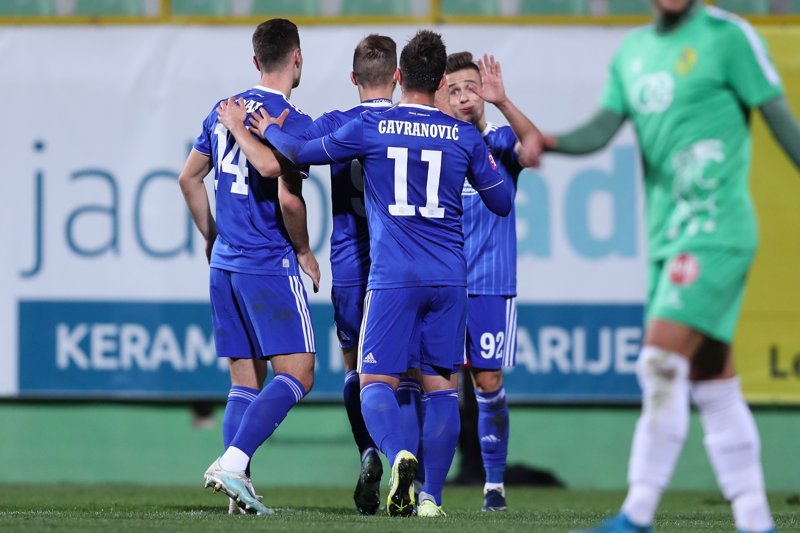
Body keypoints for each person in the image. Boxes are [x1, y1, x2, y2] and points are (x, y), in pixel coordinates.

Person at [541, 1, 800, 532]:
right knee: (714, 384)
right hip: (666, 239)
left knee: (660, 362)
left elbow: (782, 125)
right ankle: (756, 521)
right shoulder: (633, 52)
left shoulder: (728, 37)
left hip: (716, 231)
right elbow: (603, 128)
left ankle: (637, 515)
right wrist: (552, 142)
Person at [254, 30, 515, 518]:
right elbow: (501, 200)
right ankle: (432, 499)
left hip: (393, 275)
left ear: (400, 76)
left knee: (373, 380)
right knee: (442, 389)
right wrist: (480, 157)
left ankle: (397, 455)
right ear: (440, 82)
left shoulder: (374, 125)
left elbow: (300, 151)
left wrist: (269, 128)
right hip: (449, 277)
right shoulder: (462, 135)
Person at [217, 33, 400, 516]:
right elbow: (285, 183)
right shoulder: (415, 125)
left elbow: (291, 153)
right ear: (398, 77)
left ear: (353, 77)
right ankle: (415, 473)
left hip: (345, 263)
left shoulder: (334, 122)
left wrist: (255, 128)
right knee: (410, 376)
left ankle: (364, 450)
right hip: (402, 265)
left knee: (348, 369)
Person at [177, 18, 320, 516]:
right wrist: (304, 250)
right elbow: (284, 190)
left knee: (244, 382)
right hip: (266, 262)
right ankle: (233, 464)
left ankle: (238, 489)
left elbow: (189, 179)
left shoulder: (222, 109)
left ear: (256, 60)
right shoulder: (289, 119)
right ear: (297, 58)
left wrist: (211, 236)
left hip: (225, 265)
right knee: (299, 373)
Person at [444, 51, 542, 512]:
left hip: (490, 282)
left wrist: (503, 101)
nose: (465, 96)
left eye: (472, 87)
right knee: (437, 387)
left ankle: (494, 486)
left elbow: (534, 145)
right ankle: (425, 486)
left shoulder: (499, 141)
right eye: (455, 90)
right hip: (442, 285)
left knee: (488, 381)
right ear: (442, 96)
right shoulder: (437, 145)